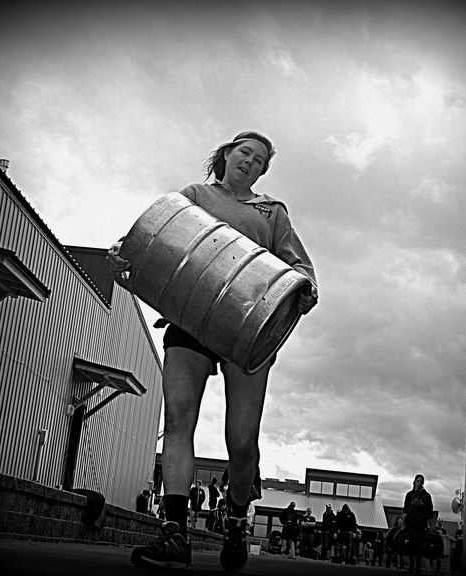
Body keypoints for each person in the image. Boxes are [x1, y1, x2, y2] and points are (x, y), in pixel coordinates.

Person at [107, 131, 318, 572]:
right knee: (179, 422)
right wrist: (124, 254)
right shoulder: (193, 196)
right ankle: (174, 534)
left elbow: (298, 266)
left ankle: (238, 519)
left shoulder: (271, 212)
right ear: (226, 155)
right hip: (189, 322)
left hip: (247, 330)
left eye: (259, 160)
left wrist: (306, 288)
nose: (250, 162)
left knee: (242, 443)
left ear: (263, 171)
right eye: (244, 152)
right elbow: (150, 242)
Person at [402, 474, 434, 575]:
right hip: (410, 524)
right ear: (414, 482)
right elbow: (405, 510)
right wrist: (402, 524)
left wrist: (431, 527)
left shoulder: (427, 496)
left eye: (421, 481)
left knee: (420, 547)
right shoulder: (409, 495)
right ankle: (411, 566)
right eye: (418, 481)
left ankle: (417, 568)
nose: (419, 483)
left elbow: (430, 513)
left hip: (421, 524)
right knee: (411, 545)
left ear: (423, 483)